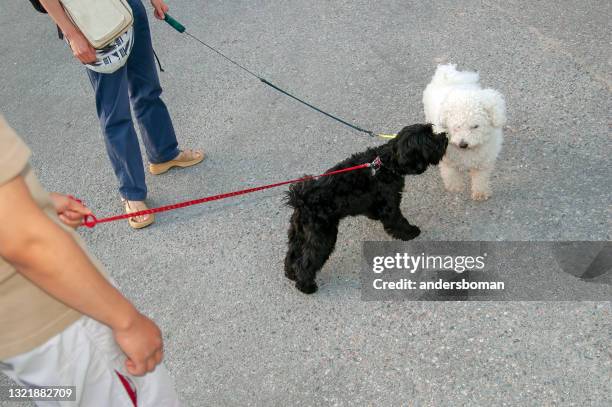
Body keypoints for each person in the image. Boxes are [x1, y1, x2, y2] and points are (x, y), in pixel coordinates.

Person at [0, 115, 180, 405]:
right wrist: (127, 321)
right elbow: (24, 239)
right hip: (63, 318)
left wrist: (34, 202)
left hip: (20, 339)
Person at [38, 0, 204, 229]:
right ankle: (132, 192)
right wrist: (72, 33)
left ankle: (164, 154)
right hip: (90, 20)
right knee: (114, 112)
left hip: (129, 7)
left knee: (148, 89)